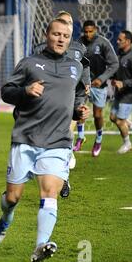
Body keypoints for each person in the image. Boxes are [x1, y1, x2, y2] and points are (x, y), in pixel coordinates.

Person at [0, 18, 90, 262]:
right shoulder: (29, 63)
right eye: (56, 34)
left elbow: (77, 93)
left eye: (65, 36)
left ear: (70, 39)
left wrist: (79, 110)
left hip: (58, 141)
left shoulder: (75, 67)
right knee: (13, 197)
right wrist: (26, 91)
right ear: (47, 35)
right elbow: (6, 92)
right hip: (26, 139)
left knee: (49, 193)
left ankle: (40, 246)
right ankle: (5, 219)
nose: (60, 39)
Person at [33, 11, 91, 198]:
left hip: (72, 97)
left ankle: (63, 178)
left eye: (70, 23)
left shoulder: (79, 48)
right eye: (63, 23)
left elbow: (85, 65)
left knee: (64, 134)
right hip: (48, 101)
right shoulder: (40, 49)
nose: (67, 26)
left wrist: (87, 82)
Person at [74, 20, 119, 157]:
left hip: (99, 85)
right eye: (86, 32)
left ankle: (98, 140)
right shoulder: (78, 43)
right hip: (82, 84)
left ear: (96, 30)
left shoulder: (103, 43)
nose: (88, 34)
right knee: (80, 111)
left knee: (97, 115)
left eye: (91, 31)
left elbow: (114, 64)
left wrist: (102, 78)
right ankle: (80, 137)